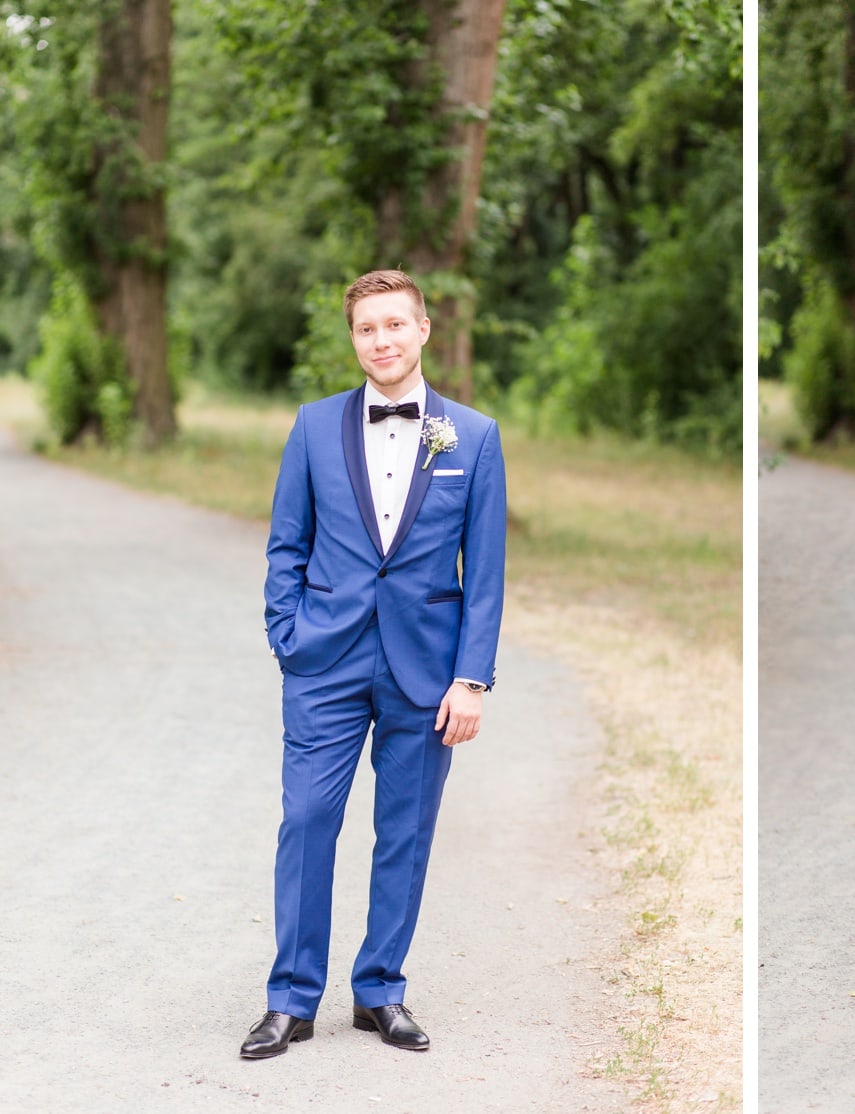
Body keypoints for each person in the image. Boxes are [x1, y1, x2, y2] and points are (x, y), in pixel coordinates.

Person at [240, 269, 507, 1059]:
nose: (382, 341)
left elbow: (483, 571)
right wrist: (287, 634)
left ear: (423, 330)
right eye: (366, 329)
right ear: (352, 339)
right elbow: (286, 541)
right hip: (324, 659)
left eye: (395, 325)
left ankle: (380, 990)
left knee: (405, 832)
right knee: (307, 821)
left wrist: (471, 679)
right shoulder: (315, 426)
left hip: (425, 672)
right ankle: (290, 999)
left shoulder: (473, 437)